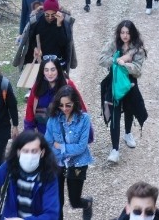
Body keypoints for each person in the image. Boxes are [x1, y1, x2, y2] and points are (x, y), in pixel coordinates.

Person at [0, 130, 60, 220]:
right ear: (18, 152)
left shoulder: (49, 175)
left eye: (34, 151)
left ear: (42, 153)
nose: (30, 155)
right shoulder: (10, 167)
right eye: (25, 151)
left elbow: (52, 215)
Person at [98, 20, 148, 164]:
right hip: (114, 83)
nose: (125, 36)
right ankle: (115, 149)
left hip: (130, 83)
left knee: (130, 109)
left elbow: (138, 70)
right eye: (122, 32)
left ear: (132, 33)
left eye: (127, 32)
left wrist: (125, 65)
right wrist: (117, 60)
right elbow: (101, 59)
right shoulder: (113, 44)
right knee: (114, 114)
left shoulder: (138, 48)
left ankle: (127, 133)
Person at [45, 86, 94, 220]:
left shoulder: (84, 119)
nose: (64, 108)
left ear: (75, 103)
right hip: (57, 163)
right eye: (61, 105)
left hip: (78, 163)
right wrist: (61, 149)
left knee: (74, 201)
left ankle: (87, 204)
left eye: (68, 105)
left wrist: (60, 146)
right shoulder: (53, 119)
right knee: (57, 201)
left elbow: (81, 147)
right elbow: (48, 142)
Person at [24, 57, 87, 134]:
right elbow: (30, 109)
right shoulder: (37, 86)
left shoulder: (68, 84)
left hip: (65, 133)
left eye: (53, 70)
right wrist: (29, 131)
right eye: (46, 70)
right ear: (42, 71)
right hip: (43, 132)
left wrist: (84, 129)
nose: (50, 74)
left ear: (58, 70)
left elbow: (80, 106)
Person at [31, 0, 77, 72]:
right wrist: (35, 48)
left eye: (53, 15)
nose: (49, 18)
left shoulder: (63, 23)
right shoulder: (38, 22)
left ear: (57, 13)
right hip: (43, 58)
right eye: (47, 15)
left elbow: (64, 43)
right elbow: (32, 39)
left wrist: (59, 25)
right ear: (44, 12)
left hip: (58, 59)